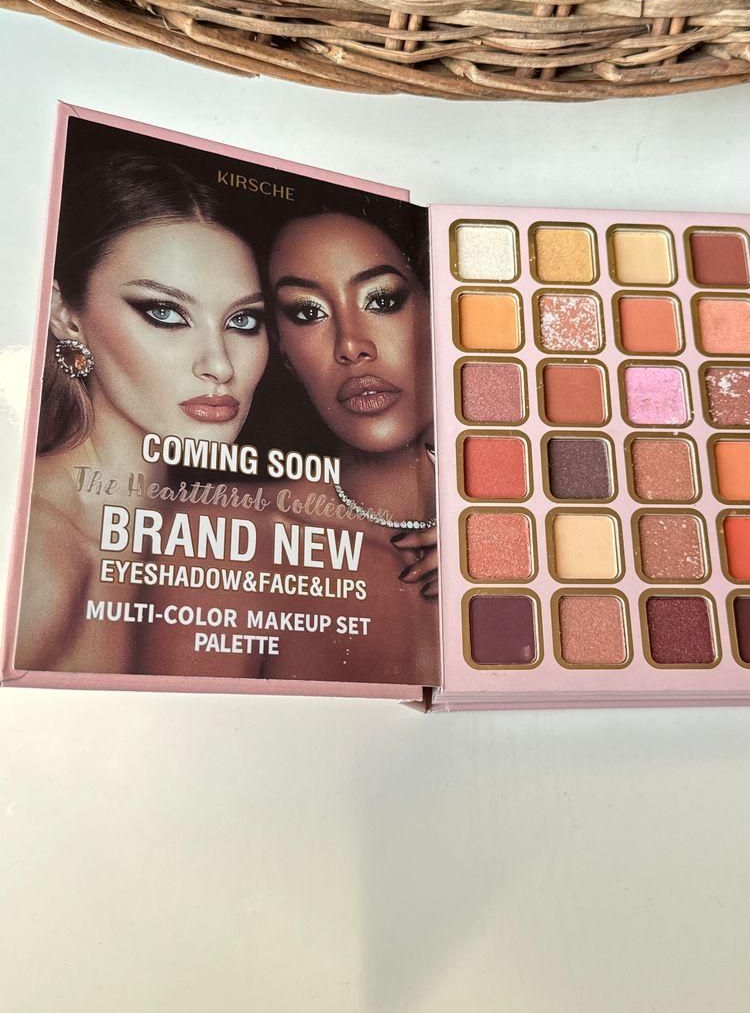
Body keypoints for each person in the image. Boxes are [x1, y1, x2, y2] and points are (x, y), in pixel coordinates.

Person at [16, 143, 269, 675]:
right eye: (166, 313)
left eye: (243, 321)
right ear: (66, 316)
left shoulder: (204, 540)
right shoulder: (32, 547)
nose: (219, 364)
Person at [258, 200, 438, 685]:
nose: (351, 346)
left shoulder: (533, 527)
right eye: (307, 312)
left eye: (382, 300)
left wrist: (511, 549)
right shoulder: (234, 538)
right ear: (282, 348)